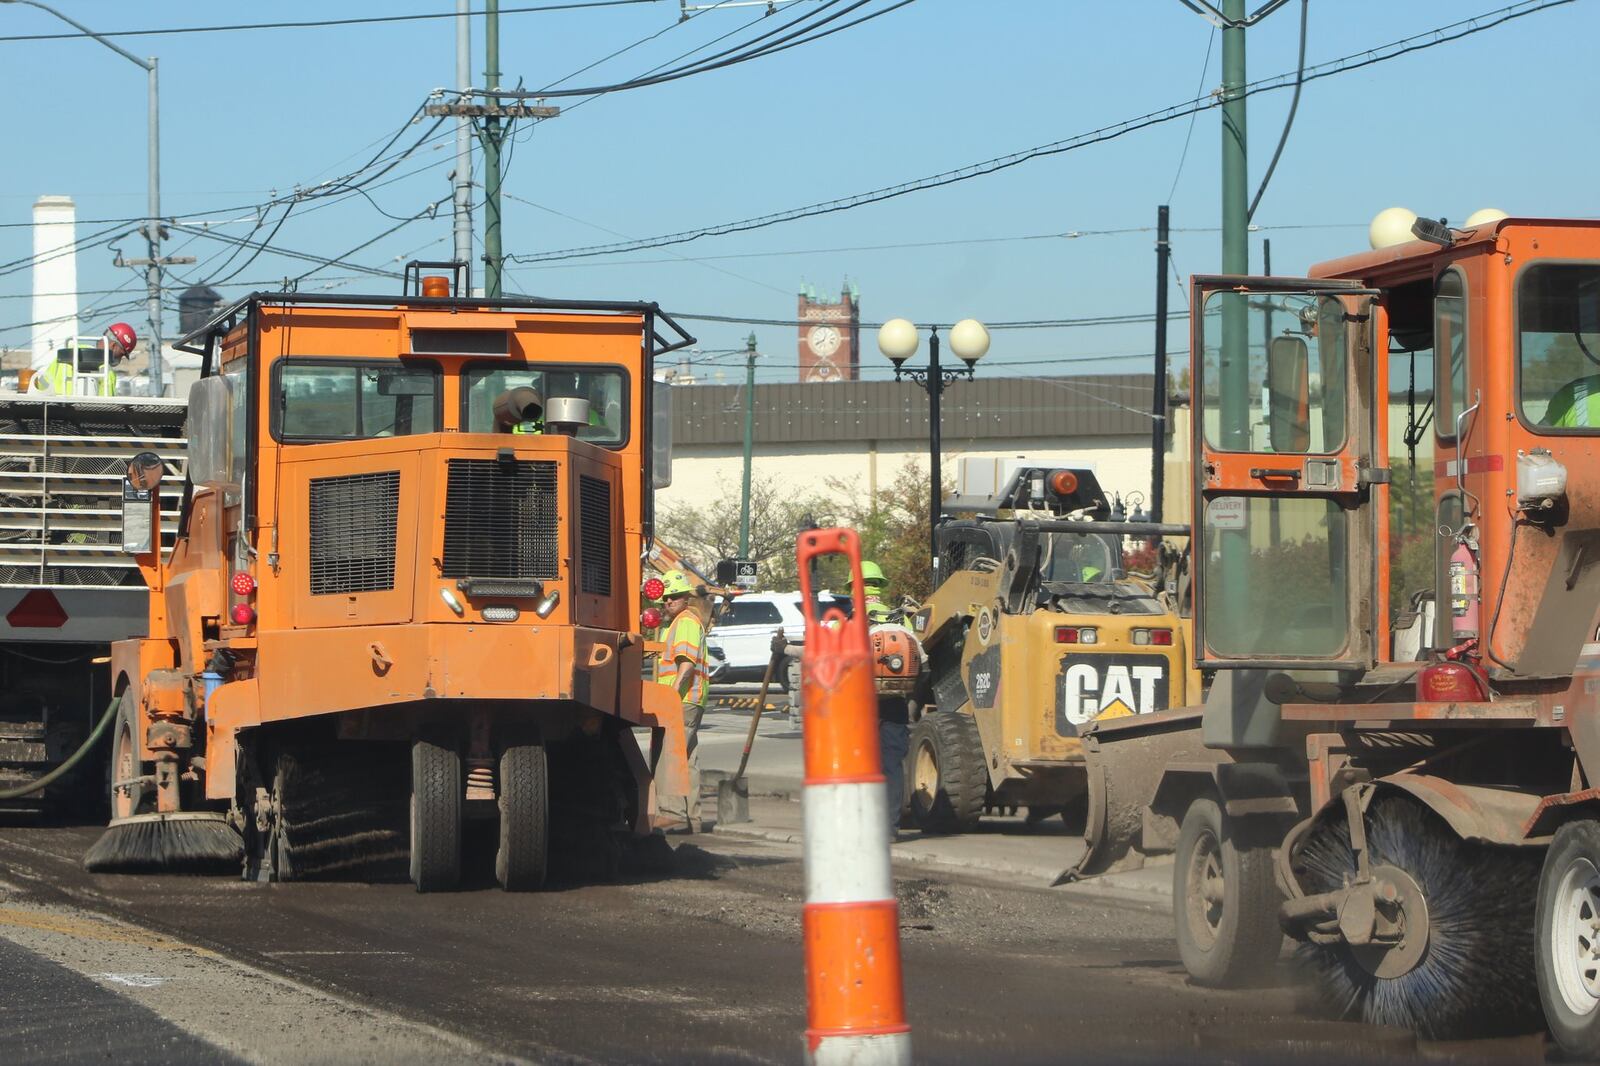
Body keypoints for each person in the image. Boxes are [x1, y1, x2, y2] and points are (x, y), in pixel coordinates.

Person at [655, 569, 709, 830]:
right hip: (692, 700)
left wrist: (671, 699)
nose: (668, 601)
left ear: (686, 597)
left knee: (670, 757)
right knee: (688, 760)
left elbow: (686, 666)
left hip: (682, 700)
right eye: (665, 597)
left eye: (674, 596)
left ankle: (672, 813)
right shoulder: (677, 623)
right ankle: (693, 818)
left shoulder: (685, 622)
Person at [32, 322, 134, 397]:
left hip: (55, 415)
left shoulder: (63, 357)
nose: (120, 359)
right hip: (86, 420)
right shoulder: (107, 371)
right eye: (122, 354)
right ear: (113, 345)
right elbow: (109, 406)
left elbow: (40, 388)